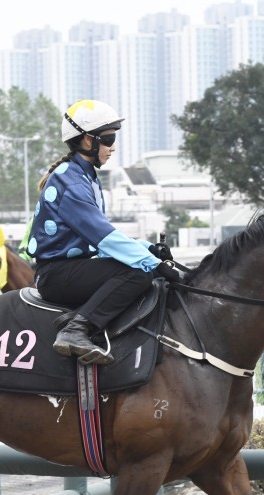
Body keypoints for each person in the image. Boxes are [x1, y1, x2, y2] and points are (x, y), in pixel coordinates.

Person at [26, 99, 179, 365]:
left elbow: (102, 238)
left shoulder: (84, 176)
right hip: (56, 275)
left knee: (143, 268)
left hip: (71, 269)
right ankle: (76, 331)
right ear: (87, 140)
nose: (113, 147)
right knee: (138, 274)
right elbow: (104, 238)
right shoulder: (72, 182)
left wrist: (148, 249)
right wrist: (151, 262)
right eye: (108, 139)